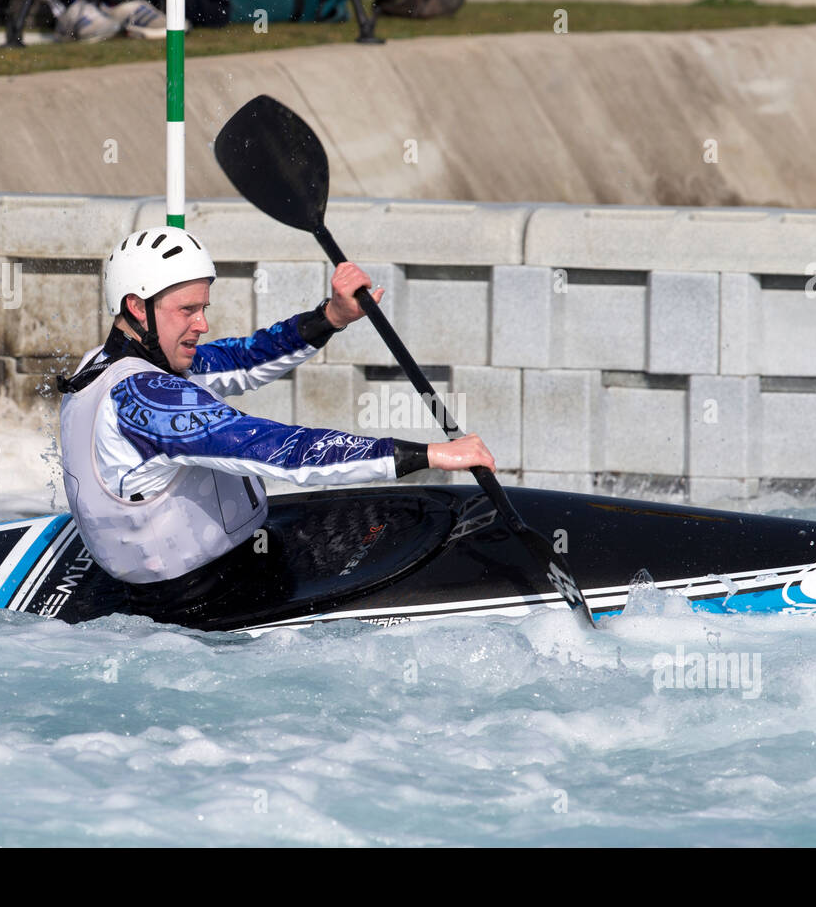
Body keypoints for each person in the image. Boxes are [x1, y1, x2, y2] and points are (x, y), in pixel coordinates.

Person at [57, 226, 494, 621]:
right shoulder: (148, 399)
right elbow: (279, 451)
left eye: (203, 308)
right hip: (200, 607)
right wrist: (427, 455)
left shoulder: (107, 364)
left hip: (220, 570)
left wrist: (332, 316)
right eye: (187, 310)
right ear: (138, 307)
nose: (202, 324)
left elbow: (242, 358)